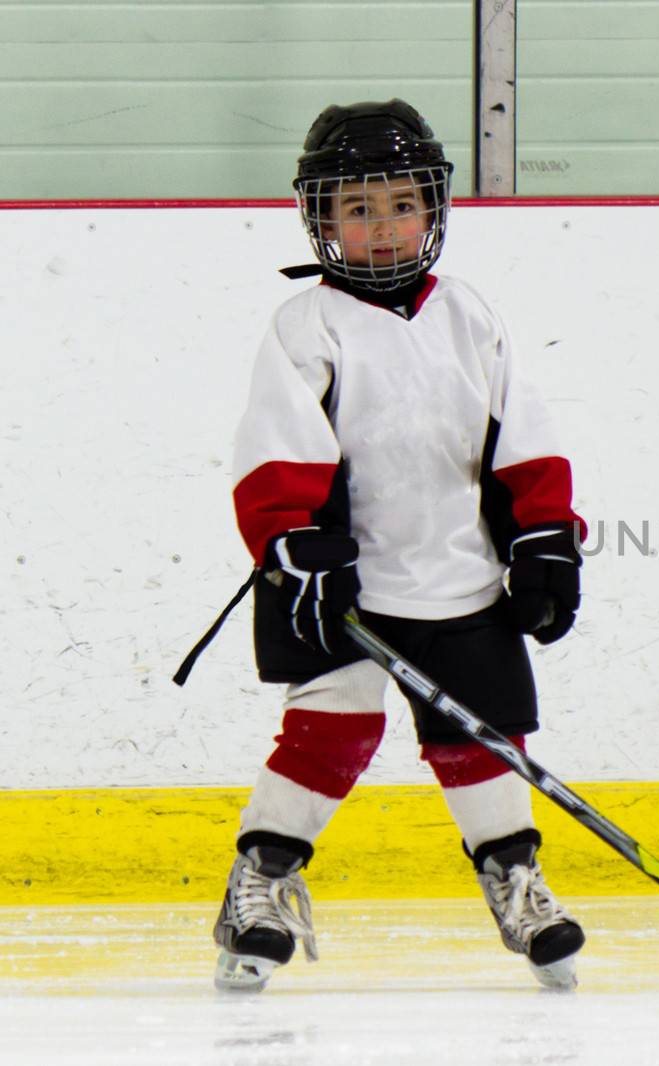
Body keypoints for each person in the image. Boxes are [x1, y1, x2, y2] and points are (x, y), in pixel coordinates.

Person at [209, 99, 586, 993]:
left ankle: (514, 878)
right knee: (326, 734)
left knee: (484, 739)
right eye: (358, 207)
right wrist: (296, 541)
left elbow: (520, 439)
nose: (382, 226)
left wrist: (543, 542)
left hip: (457, 572)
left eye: (401, 203)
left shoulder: (470, 316)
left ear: (434, 208)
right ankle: (258, 881)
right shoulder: (308, 324)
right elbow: (277, 445)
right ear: (322, 218)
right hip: (335, 579)